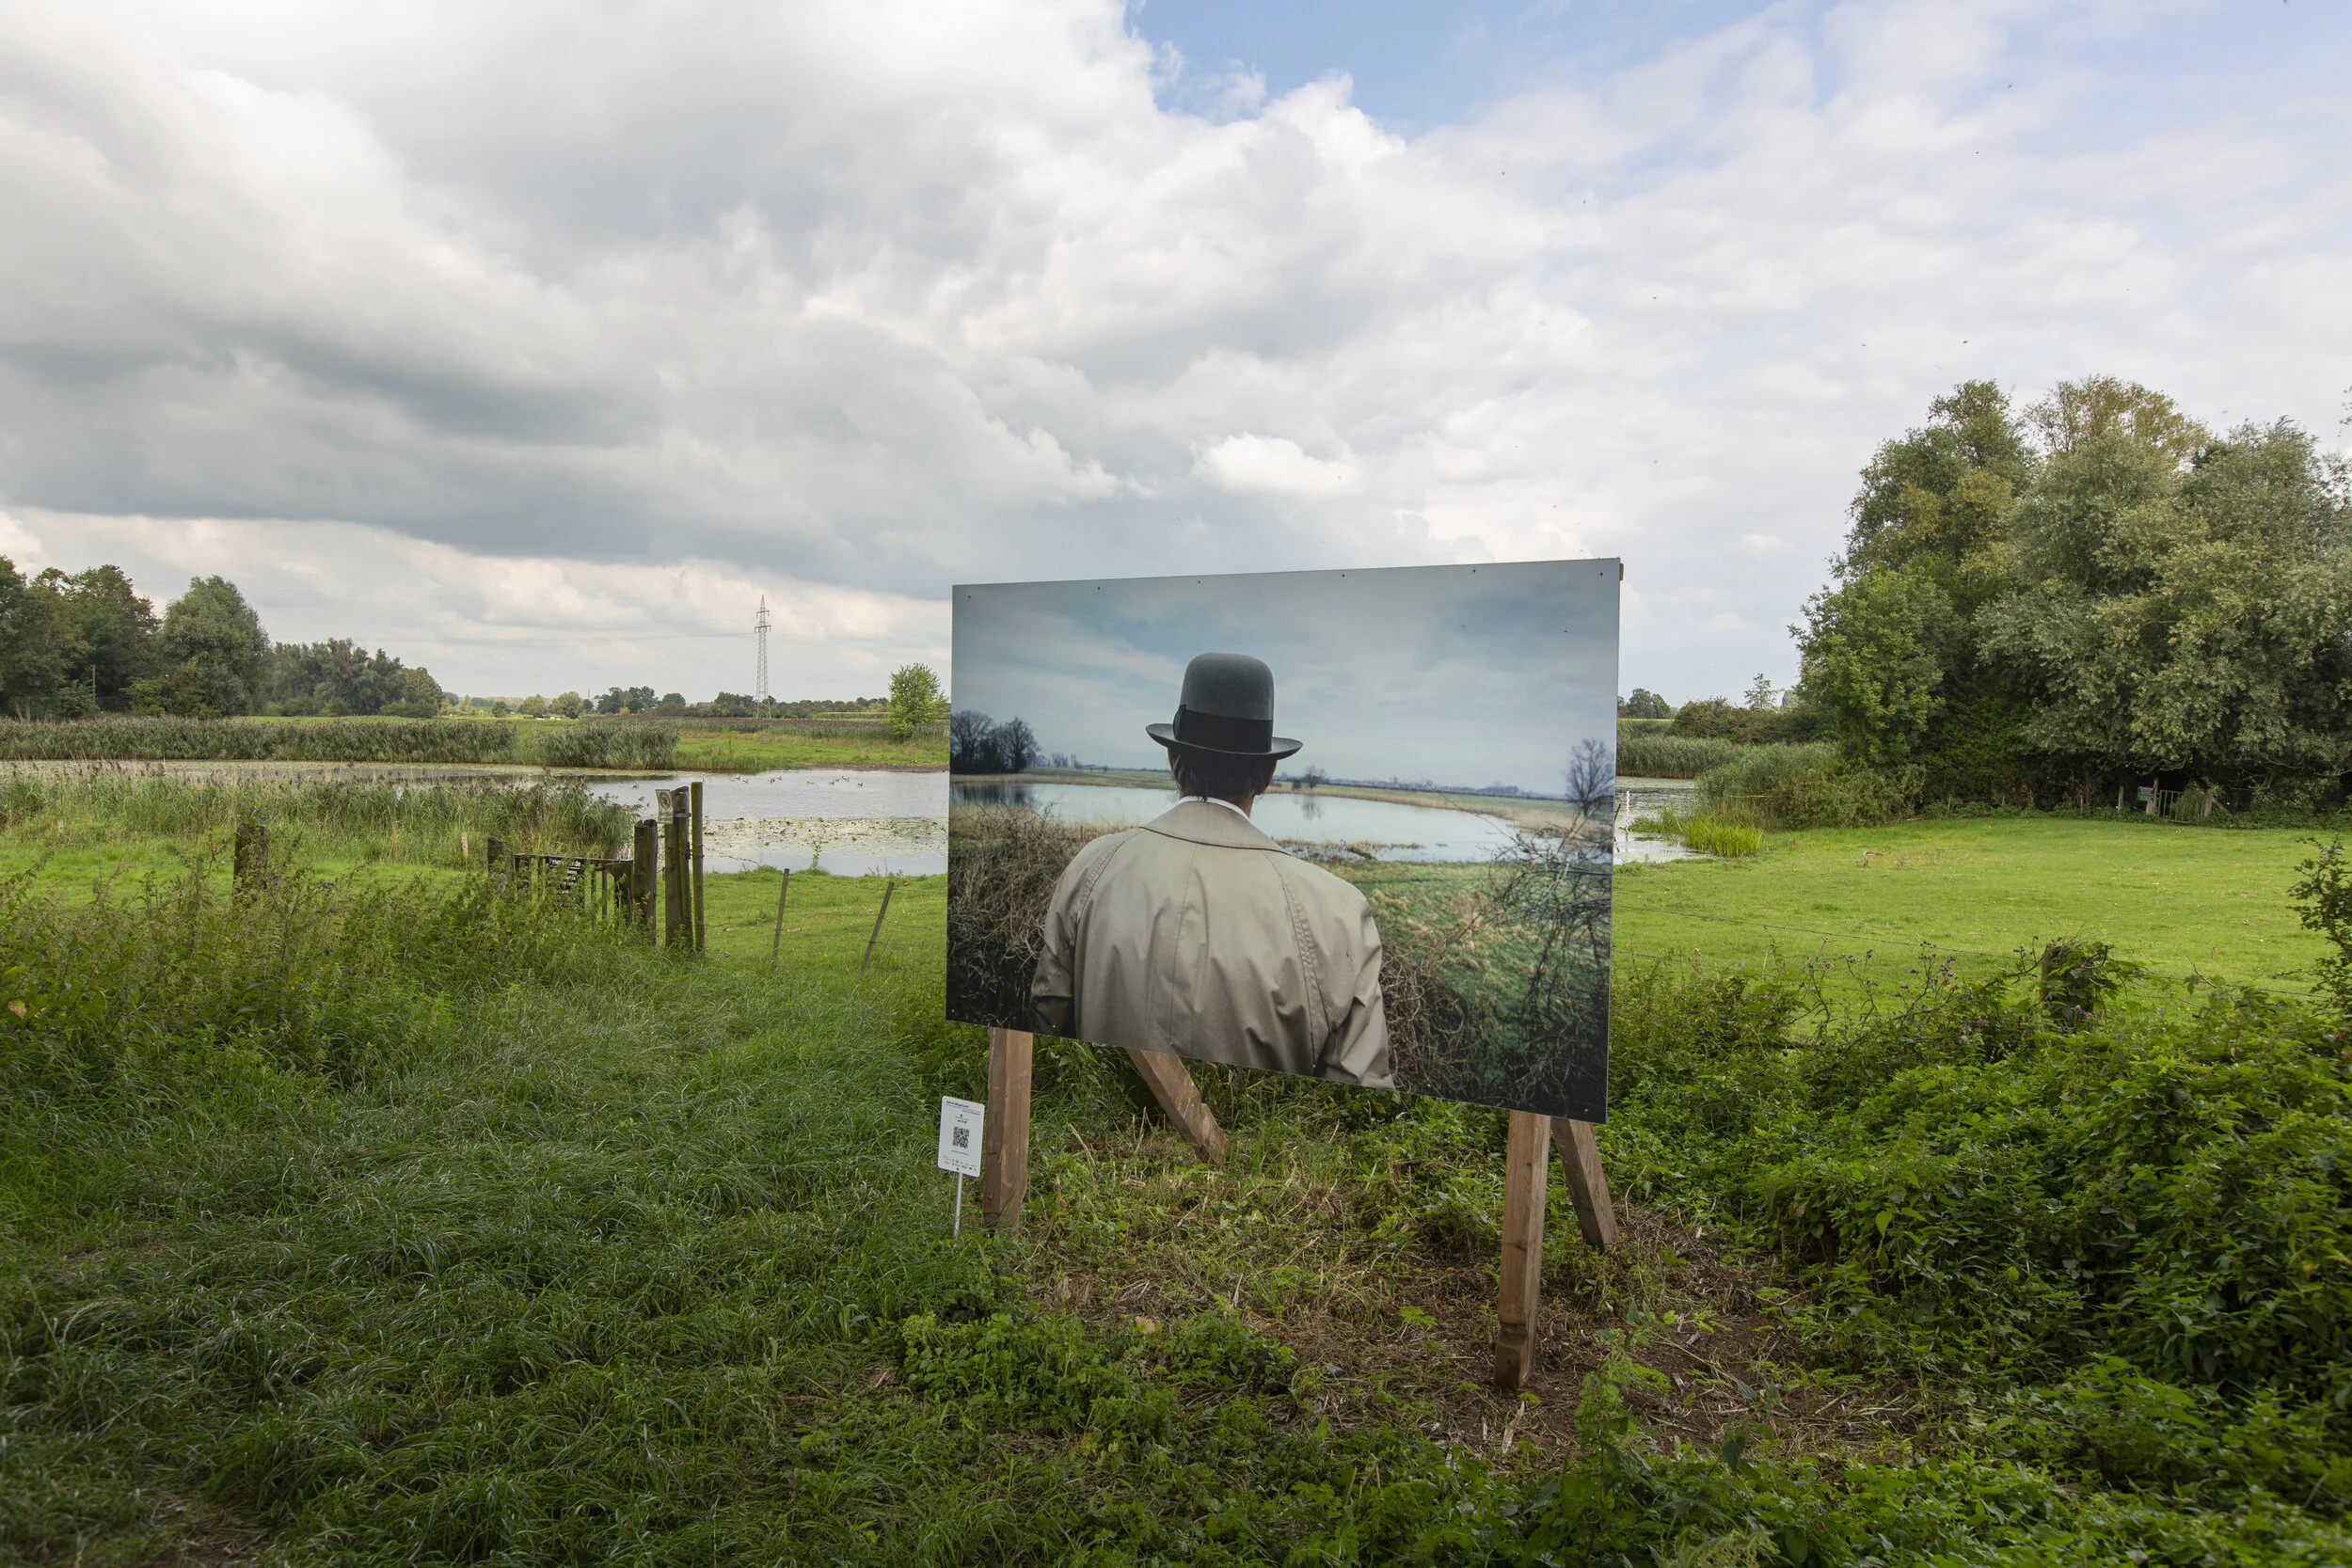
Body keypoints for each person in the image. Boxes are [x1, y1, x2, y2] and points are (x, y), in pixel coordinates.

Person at [1030, 652, 1391, 1087]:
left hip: (1093, 1146)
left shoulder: (1091, 869)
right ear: (1268, 773)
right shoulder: (1338, 914)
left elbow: (1044, 1028)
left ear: (1172, 759)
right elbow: (1361, 1096)